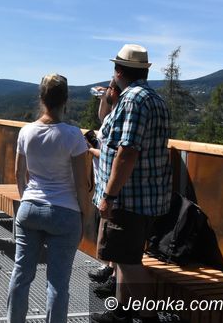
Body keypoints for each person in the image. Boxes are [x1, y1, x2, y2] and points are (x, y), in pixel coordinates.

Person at [91, 44, 172, 323]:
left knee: (128, 262)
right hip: (146, 196)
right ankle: (121, 312)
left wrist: (109, 196)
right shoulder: (154, 99)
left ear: (118, 71)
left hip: (128, 198)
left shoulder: (132, 100)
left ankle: (149, 317)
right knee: (125, 258)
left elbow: (127, 152)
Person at [6, 74, 90, 323]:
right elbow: (82, 183)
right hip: (65, 212)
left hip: (30, 208)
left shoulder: (26, 132)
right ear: (66, 100)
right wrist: (85, 217)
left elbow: (19, 173)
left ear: (41, 98)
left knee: (21, 275)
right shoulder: (73, 135)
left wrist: (26, 200)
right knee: (57, 284)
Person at [87, 79, 122, 297]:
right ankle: (109, 269)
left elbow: (114, 154)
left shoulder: (120, 118)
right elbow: (102, 118)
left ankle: (114, 278)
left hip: (111, 184)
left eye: (109, 89)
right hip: (103, 181)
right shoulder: (112, 116)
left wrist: (91, 150)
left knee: (113, 231)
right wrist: (103, 98)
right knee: (107, 229)